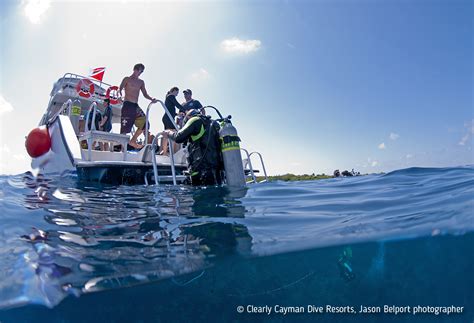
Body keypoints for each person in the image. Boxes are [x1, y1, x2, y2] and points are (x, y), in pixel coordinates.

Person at [161, 109, 222, 186]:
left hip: (202, 170)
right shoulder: (212, 123)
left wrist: (168, 133)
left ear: (188, 116)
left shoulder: (194, 120)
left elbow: (179, 137)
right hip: (217, 170)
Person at [119, 63, 157, 149]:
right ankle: (122, 150)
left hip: (135, 106)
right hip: (127, 105)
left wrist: (151, 98)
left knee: (145, 123)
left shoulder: (141, 82)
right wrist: (119, 95)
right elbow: (119, 89)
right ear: (135, 69)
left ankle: (133, 140)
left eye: (142, 71)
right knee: (124, 128)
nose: (141, 73)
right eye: (140, 70)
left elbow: (145, 94)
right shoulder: (127, 79)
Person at [161, 87, 184, 155]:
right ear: (174, 91)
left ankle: (165, 152)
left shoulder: (168, 97)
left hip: (167, 118)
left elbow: (171, 110)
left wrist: (178, 114)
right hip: (168, 119)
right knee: (174, 134)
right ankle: (173, 153)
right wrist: (185, 110)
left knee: (166, 134)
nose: (177, 94)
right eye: (177, 92)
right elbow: (177, 104)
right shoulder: (171, 96)